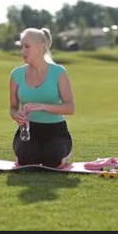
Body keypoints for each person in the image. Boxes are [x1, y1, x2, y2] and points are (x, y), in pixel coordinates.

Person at [9, 28, 75, 167]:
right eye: (21, 46)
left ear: (41, 46)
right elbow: (13, 107)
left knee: (52, 159)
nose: (22, 51)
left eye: (27, 46)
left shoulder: (59, 72)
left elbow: (70, 108)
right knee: (27, 159)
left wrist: (42, 106)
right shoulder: (16, 74)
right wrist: (16, 115)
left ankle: (64, 154)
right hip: (28, 130)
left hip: (56, 130)